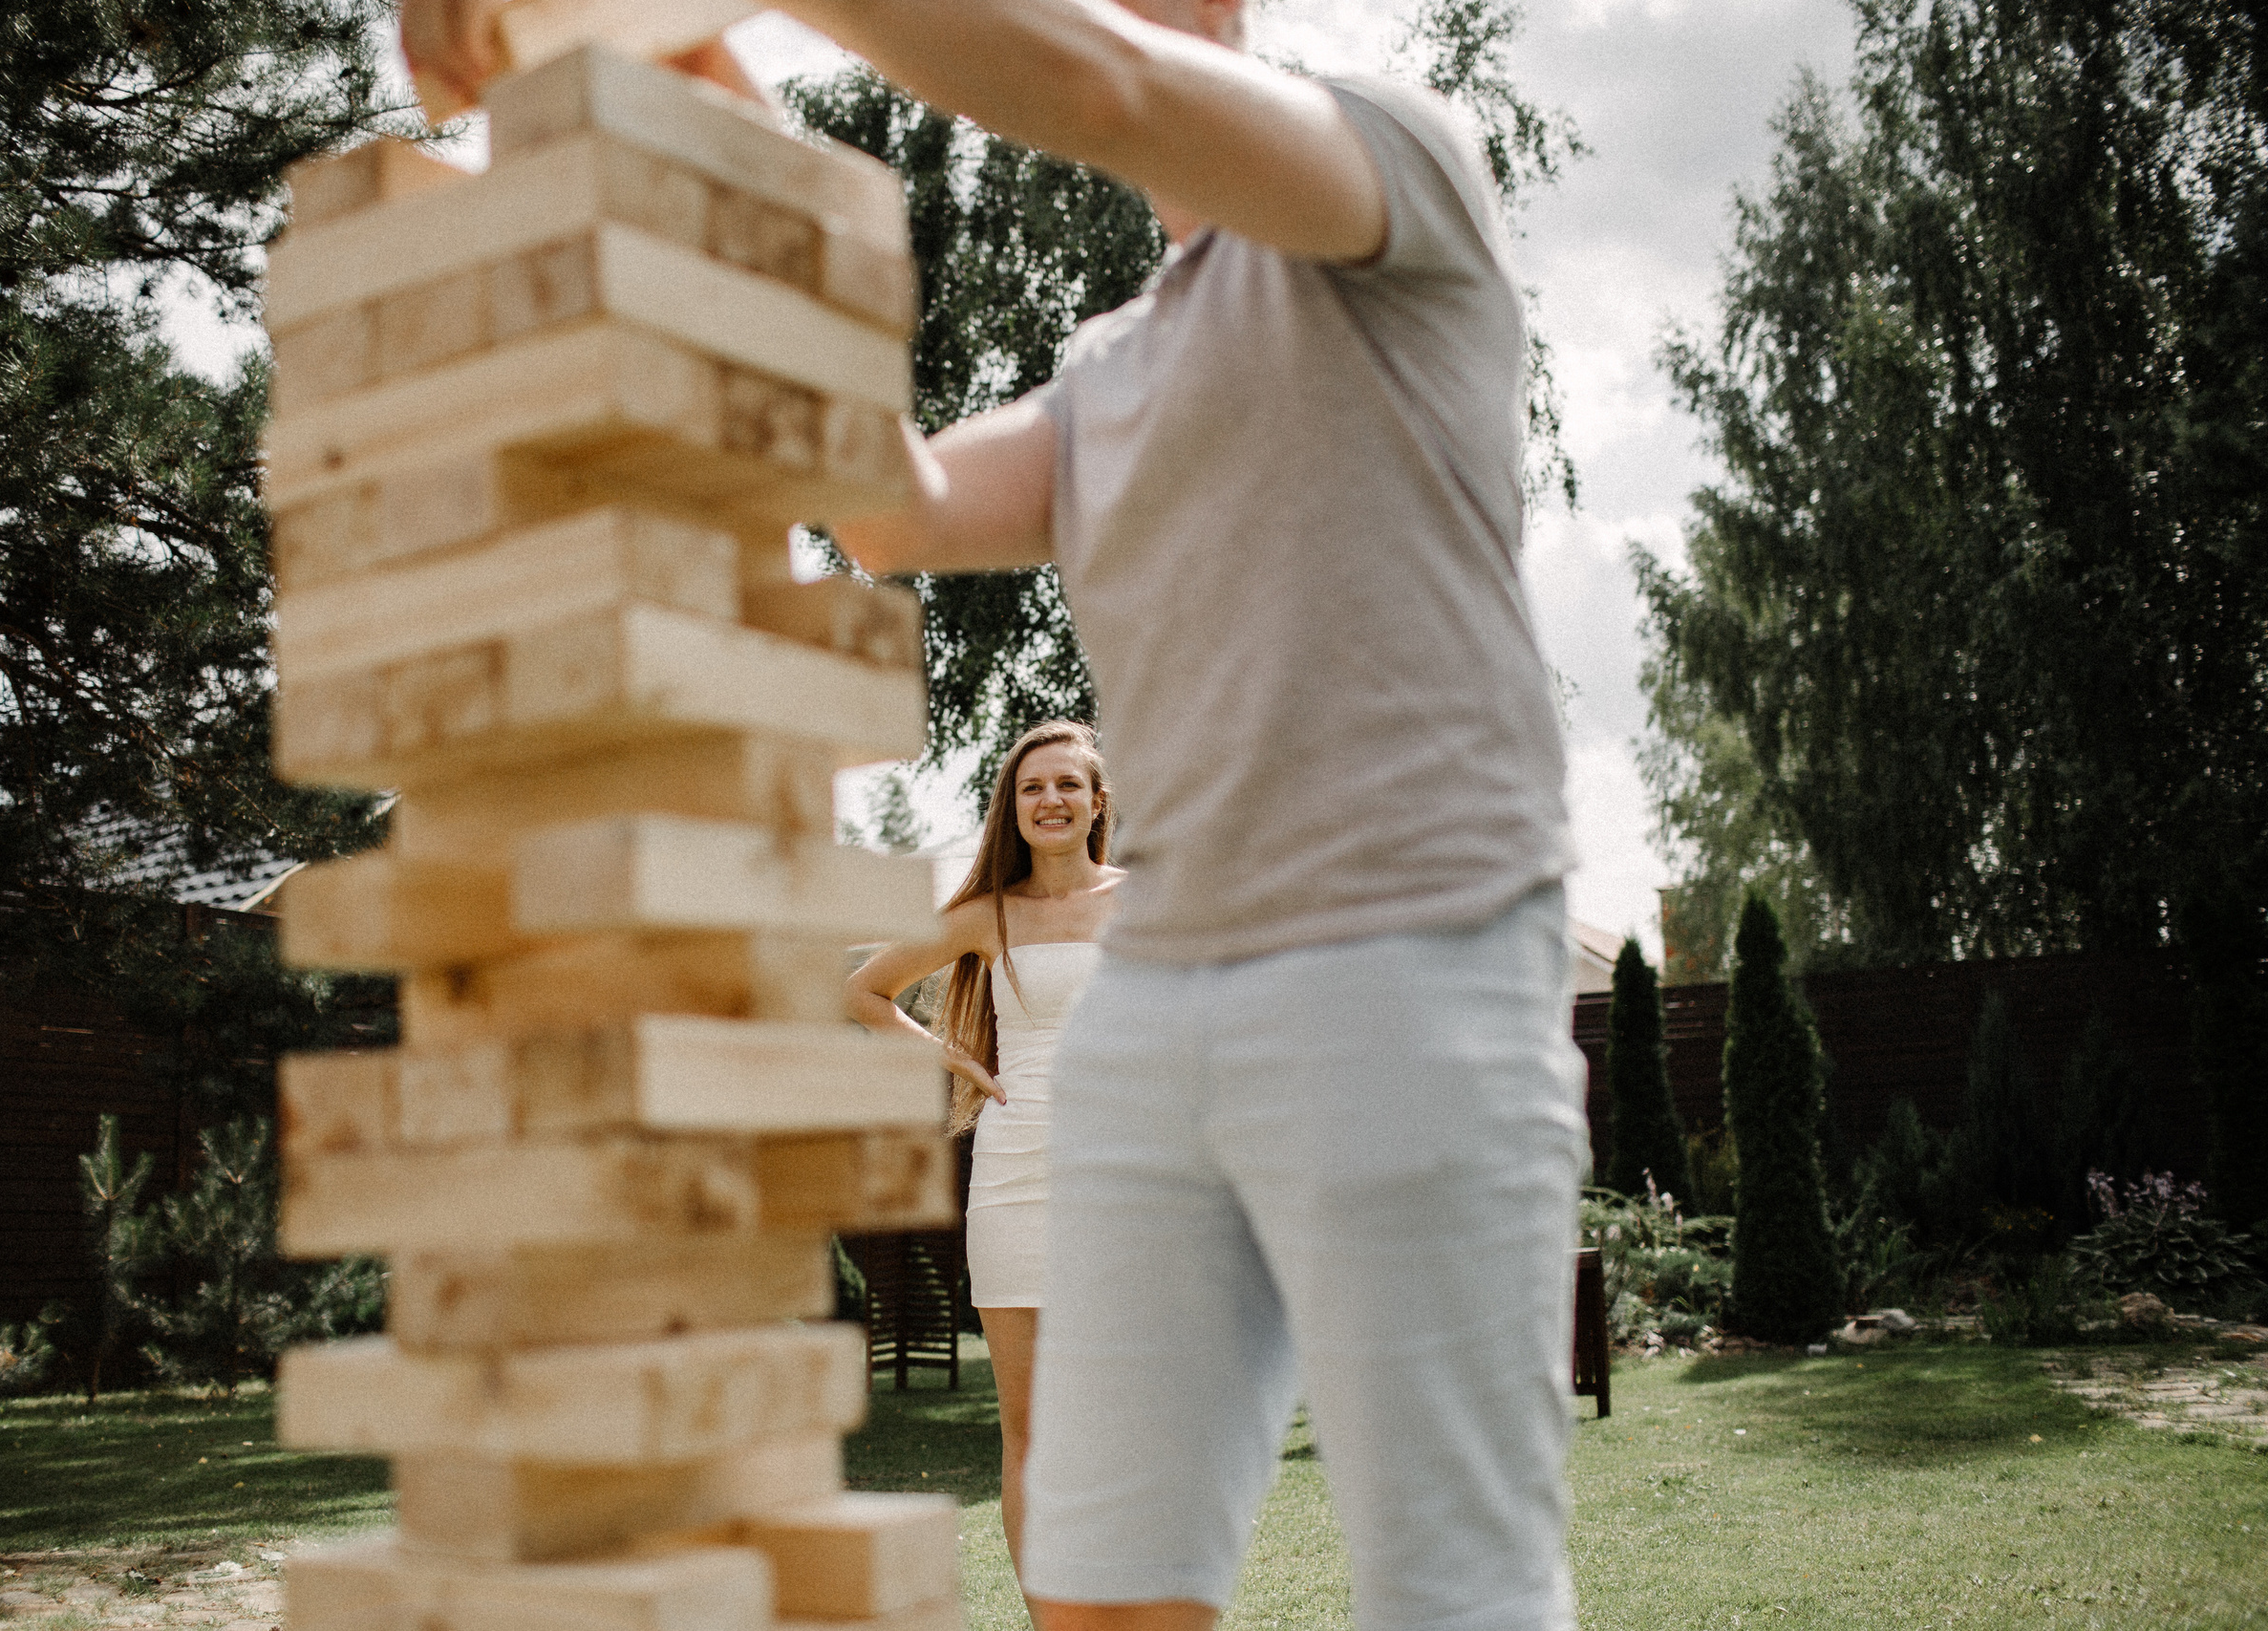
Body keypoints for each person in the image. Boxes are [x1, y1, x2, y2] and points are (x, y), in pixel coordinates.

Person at [403, 4, 1587, 1629]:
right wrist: (680, 89)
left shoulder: (1391, 162)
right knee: (1096, 1589)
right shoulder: (1110, 369)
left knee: (1453, 1597)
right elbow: (893, 509)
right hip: (1157, 1016)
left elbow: (1101, 82)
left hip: (1410, 960)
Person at [844, 719, 1123, 1592]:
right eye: (1033, 786)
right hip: (1015, 1174)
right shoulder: (985, 913)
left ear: (1097, 801)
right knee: (1031, 1429)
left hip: (1128, 1176)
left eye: (1068, 784)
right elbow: (862, 989)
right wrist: (951, 1056)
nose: (1051, 800)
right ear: (1013, 805)